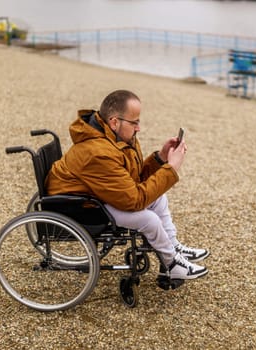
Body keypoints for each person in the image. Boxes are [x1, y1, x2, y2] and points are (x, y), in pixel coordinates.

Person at [46, 89, 209, 281]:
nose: (138, 127)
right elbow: (134, 200)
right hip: (82, 206)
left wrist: (161, 158)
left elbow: (132, 177)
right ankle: (171, 264)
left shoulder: (118, 138)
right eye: (135, 122)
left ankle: (172, 246)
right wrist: (171, 168)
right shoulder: (99, 152)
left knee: (158, 198)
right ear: (115, 122)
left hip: (97, 194)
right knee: (148, 219)